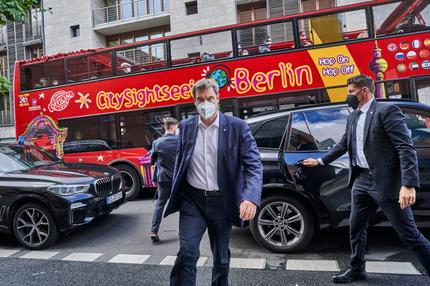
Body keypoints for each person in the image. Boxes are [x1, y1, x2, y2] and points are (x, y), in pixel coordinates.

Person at [303, 74, 430, 283]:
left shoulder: (386, 111)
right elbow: (343, 144)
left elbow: (405, 147)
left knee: (410, 235)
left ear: (364, 91)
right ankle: (356, 269)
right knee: (356, 228)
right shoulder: (353, 116)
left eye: (351, 91)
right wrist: (320, 161)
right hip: (361, 181)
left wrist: (408, 184)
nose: (348, 95)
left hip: (386, 183)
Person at [164, 78, 263, 286]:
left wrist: (251, 198)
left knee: (221, 257)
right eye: (200, 99)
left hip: (222, 201)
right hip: (193, 201)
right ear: (194, 102)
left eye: (210, 98)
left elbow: (254, 165)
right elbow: (182, 160)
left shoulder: (237, 127)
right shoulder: (186, 127)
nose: (205, 103)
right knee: (188, 252)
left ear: (218, 99)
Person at [149, 117, 179, 242]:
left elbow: (152, 161)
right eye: (176, 127)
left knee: (160, 204)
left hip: (164, 178)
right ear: (172, 127)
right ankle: (185, 232)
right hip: (178, 178)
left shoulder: (157, 143)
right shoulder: (180, 140)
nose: (177, 130)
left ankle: (153, 231)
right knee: (184, 204)